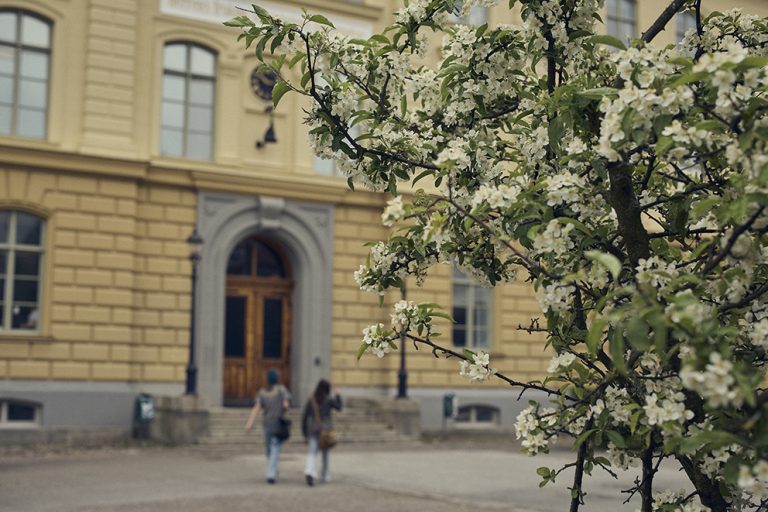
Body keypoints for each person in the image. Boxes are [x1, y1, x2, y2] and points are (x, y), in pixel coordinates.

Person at [245, 368, 291, 484]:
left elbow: (256, 408)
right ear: (277, 378)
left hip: (267, 424)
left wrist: (249, 423)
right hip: (278, 424)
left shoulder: (262, 392)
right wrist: (283, 409)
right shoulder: (281, 390)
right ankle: (273, 471)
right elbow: (286, 405)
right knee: (274, 449)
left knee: (270, 450)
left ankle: (271, 473)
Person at [301, 379, 342, 486]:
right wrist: (337, 394)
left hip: (313, 430)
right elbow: (339, 407)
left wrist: (305, 433)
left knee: (312, 453)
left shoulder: (311, 400)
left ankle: (310, 472)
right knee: (325, 453)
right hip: (326, 431)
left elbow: (305, 418)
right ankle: (325, 475)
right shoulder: (328, 400)